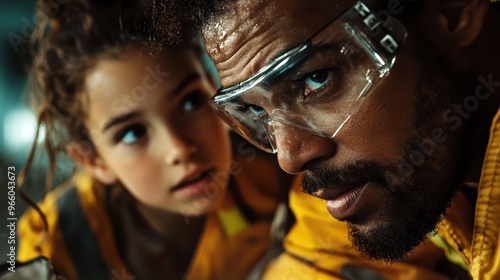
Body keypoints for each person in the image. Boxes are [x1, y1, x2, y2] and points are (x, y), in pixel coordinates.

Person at [150, 0, 500, 279]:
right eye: (257, 113)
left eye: (316, 79)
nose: (289, 158)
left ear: (451, 11)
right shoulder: (416, 168)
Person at [16, 0, 288, 279]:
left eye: (191, 102)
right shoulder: (55, 244)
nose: (179, 149)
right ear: (95, 161)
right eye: (132, 133)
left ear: (216, 91)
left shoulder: (281, 169)